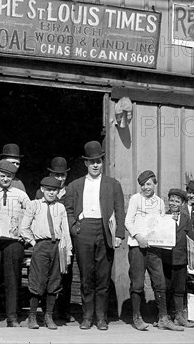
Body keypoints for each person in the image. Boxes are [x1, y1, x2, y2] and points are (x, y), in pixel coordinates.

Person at [64, 141, 125, 331]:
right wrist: (75, 229)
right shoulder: (75, 186)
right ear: (85, 164)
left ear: (102, 162)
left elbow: (119, 210)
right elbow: (68, 210)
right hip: (84, 231)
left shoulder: (113, 184)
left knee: (103, 277)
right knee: (86, 276)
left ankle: (101, 318)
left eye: (98, 161)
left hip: (105, 229)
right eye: (92, 162)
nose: (96, 165)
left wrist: (119, 234)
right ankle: (87, 317)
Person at [125, 170, 184, 332]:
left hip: (154, 248)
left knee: (160, 282)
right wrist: (139, 237)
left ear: (155, 184)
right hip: (137, 246)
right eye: (143, 185)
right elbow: (128, 222)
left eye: (149, 184)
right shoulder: (135, 199)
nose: (145, 187)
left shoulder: (159, 202)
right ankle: (137, 318)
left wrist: (169, 222)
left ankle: (163, 318)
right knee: (137, 283)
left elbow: (160, 224)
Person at [0, 159, 31, 327]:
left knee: (13, 279)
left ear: (13, 177)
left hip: (14, 242)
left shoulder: (21, 195)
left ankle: (12, 317)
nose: (5, 179)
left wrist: (24, 234)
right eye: (2, 176)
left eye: (9, 177)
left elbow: (30, 214)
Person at [20, 176, 73, 330]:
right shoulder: (34, 205)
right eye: (48, 190)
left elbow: (66, 232)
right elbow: (24, 227)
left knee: (54, 281)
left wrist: (68, 253)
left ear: (58, 191)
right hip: (41, 246)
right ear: (42, 189)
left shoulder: (60, 208)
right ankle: (32, 317)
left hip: (57, 246)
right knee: (38, 280)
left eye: (54, 190)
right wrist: (34, 243)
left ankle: (48, 316)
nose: (51, 193)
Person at [35, 156, 75, 322]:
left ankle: (63, 310)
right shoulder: (42, 193)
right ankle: (47, 310)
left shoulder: (70, 194)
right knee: (46, 275)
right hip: (47, 241)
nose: (60, 179)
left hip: (63, 241)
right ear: (51, 174)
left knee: (65, 275)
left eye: (63, 176)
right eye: (57, 175)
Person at [161, 188, 192, 329]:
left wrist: (191, 259)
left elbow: (191, 238)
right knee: (166, 288)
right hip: (166, 260)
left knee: (179, 289)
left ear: (182, 203)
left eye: (177, 201)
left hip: (181, 260)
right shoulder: (163, 217)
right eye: (171, 200)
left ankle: (179, 316)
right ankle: (164, 317)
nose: (173, 203)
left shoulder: (186, 219)